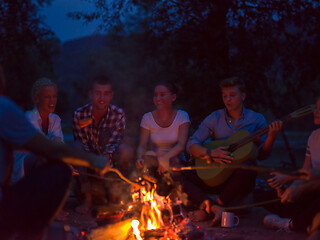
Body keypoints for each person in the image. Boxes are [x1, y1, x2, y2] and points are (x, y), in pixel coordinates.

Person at [0, 64, 109, 240]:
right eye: (47, 97)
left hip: (15, 186)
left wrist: (69, 156)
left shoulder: (55, 119)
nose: (52, 101)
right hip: (21, 178)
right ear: (36, 99)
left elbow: (58, 143)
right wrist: (93, 160)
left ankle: (86, 199)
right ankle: (32, 232)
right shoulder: (13, 111)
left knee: (69, 153)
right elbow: (48, 150)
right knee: (58, 169)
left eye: (54, 97)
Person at [185, 77, 282, 224]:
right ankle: (212, 208)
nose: (228, 99)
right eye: (225, 96)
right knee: (177, 171)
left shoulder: (257, 119)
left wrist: (271, 137)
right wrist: (211, 153)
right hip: (215, 174)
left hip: (238, 180)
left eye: (232, 95)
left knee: (249, 166)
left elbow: (262, 155)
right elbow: (192, 143)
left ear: (243, 96)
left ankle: (212, 207)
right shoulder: (215, 117)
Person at [73, 75, 133, 214]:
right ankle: (87, 199)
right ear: (91, 94)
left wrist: (105, 162)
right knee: (76, 147)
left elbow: (114, 143)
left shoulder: (118, 114)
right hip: (88, 163)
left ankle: (114, 197)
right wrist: (95, 163)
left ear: (111, 95)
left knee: (126, 151)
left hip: (109, 160)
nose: (102, 98)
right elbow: (82, 144)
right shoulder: (79, 115)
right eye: (98, 93)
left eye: (106, 93)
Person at [263, 96, 320, 238]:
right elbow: (305, 169)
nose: (316, 111)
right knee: (272, 198)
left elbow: (315, 173)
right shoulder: (314, 137)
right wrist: (289, 188)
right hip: (313, 192)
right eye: (316, 107)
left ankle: (290, 225)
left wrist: (289, 177)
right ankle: (309, 223)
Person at [136, 81, 190, 176]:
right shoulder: (147, 118)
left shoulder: (182, 116)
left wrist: (166, 157)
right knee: (148, 158)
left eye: (162, 95)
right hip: (154, 161)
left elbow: (181, 145)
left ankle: (175, 187)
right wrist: (139, 158)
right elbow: (142, 145)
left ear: (173, 97)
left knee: (175, 163)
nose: (158, 99)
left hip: (175, 161)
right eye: (155, 95)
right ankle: (152, 184)